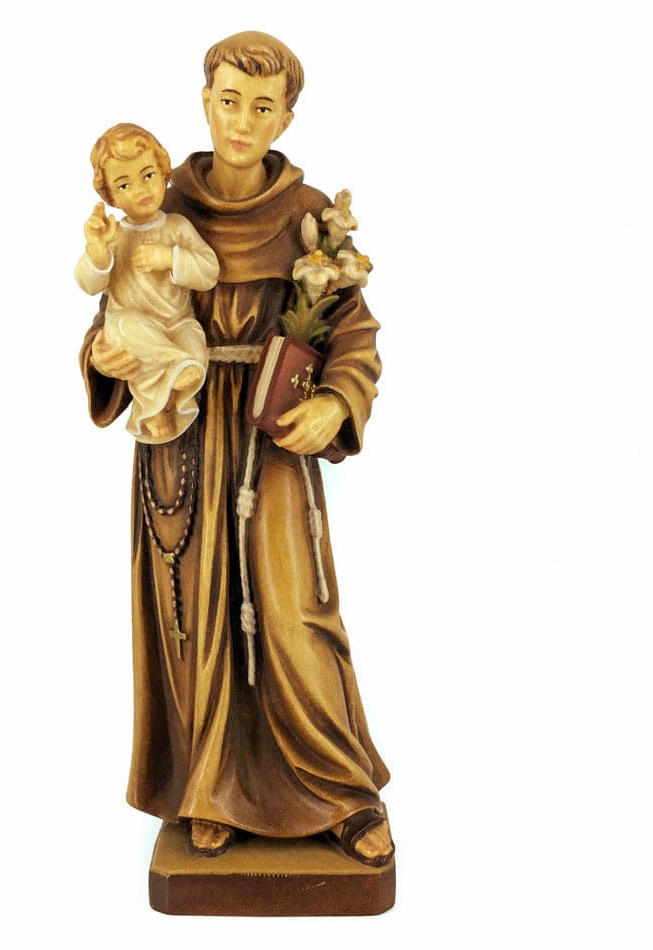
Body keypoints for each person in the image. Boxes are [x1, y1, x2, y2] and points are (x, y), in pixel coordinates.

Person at [78, 32, 393, 866]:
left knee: (293, 613)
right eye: (227, 102)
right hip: (180, 428)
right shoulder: (161, 200)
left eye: (262, 107)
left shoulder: (308, 215)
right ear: (204, 102)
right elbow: (119, 305)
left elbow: (354, 331)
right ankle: (209, 785)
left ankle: (341, 790)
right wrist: (105, 358)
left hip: (270, 437)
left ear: (286, 117)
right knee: (193, 614)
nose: (242, 122)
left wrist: (336, 399)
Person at [75, 123, 219, 443]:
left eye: (148, 175)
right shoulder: (115, 235)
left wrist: (171, 258)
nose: (140, 190)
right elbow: (88, 284)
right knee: (125, 328)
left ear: (164, 173)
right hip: (134, 328)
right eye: (124, 185)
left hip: (177, 322)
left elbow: (209, 272)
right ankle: (155, 403)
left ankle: (166, 395)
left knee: (194, 345)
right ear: (110, 196)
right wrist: (98, 251)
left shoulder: (177, 227)